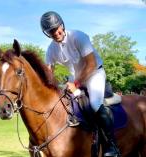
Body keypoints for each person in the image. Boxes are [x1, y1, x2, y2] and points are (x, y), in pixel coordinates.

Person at [40, 11, 120, 157]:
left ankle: (111, 146)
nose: (55, 33)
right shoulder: (51, 49)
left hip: (94, 73)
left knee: (95, 104)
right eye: (50, 31)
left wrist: (76, 84)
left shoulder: (78, 36)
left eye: (56, 28)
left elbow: (91, 64)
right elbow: (48, 73)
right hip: (74, 78)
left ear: (61, 25)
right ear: (47, 34)